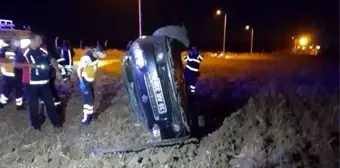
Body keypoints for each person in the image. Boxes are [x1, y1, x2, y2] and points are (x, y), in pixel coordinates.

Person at [21, 33, 62, 130]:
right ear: (32, 40)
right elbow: (16, 63)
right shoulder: (24, 52)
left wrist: (57, 71)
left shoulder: (43, 50)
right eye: (38, 40)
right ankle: (36, 126)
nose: (41, 42)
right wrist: (29, 66)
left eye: (41, 40)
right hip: (31, 84)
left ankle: (56, 124)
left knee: (50, 104)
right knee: (33, 106)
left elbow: (52, 60)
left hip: (44, 83)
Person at [77, 45, 106, 125]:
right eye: (100, 54)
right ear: (96, 52)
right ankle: (85, 120)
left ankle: (89, 116)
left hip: (89, 81)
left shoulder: (95, 57)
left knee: (91, 98)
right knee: (88, 100)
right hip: (84, 80)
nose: (101, 56)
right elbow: (79, 69)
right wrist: (81, 82)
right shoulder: (87, 58)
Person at [0, 37, 25, 110]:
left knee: (19, 90)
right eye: (14, 41)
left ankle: (19, 105)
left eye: (17, 42)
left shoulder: (20, 51)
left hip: (18, 75)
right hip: (8, 74)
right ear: (11, 42)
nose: (16, 43)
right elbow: (1, 59)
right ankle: (2, 102)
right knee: (6, 89)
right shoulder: (4, 49)